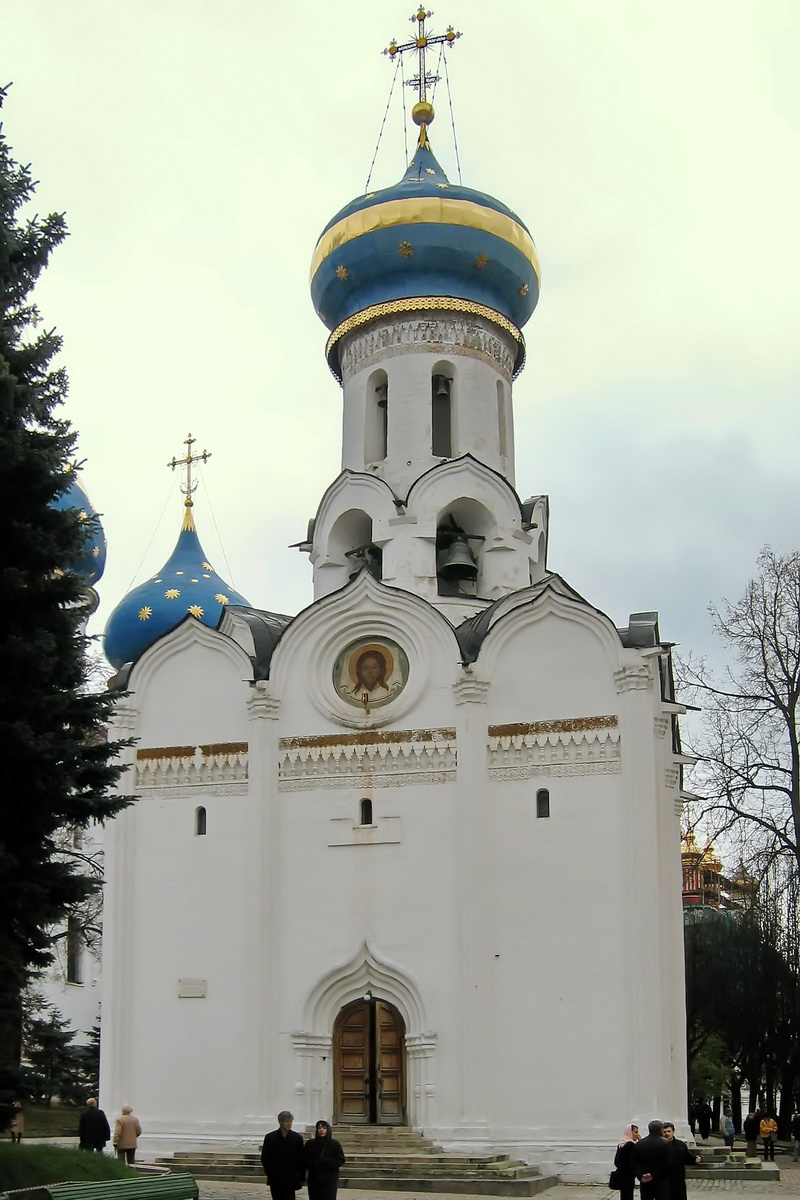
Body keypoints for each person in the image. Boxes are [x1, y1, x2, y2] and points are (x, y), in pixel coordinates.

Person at [261, 1110, 306, 1200]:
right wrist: (270, 1172)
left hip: (291, 1177)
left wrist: (301, 1177)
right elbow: (265, 1157)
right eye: (286, 1121)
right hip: (276, 1177)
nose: (289, 1124)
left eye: (290, 1122)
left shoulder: (297, 1138)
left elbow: (301, 1158)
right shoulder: (270, 1138)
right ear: (280, 1122)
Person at [304, 1120, 345, 1200]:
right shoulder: (310, 1144)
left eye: (324, 1128)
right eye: (319, 1128)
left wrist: (328, 1161)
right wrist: (313, 1164)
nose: (322, 1130)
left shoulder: (335, 1144)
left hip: (330, 1179)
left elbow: (341, 1160)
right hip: (314, 1178)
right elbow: (304, 1159)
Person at [632, 1119, 672, 1200]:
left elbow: (634, 1162)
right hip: (661, 1180)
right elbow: (668, 1163)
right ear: (661, 1130)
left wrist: (640, 1175)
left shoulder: (640, 1144)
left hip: (645, 1180)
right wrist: (653, 1175)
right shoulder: (666, 1143)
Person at [662, 1121, 701, 1200]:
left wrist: (695, 1159)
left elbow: (687, 1157)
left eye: (669, 1131)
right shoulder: (659, 1145)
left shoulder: (680, 1144)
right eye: (664, 1132)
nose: (667, 1134)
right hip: (664, 1180)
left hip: (678, 1179)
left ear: (673, 1131)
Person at [613, 1127, 637, 1200]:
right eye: (635, 1132)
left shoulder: (622, 1143)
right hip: (628, 1175)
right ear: (630, 1133)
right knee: (628, 1195)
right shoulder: (630, 1144)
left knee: (624, 1195)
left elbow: (616, 1161)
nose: (637, 1134)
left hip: (622, 1174)